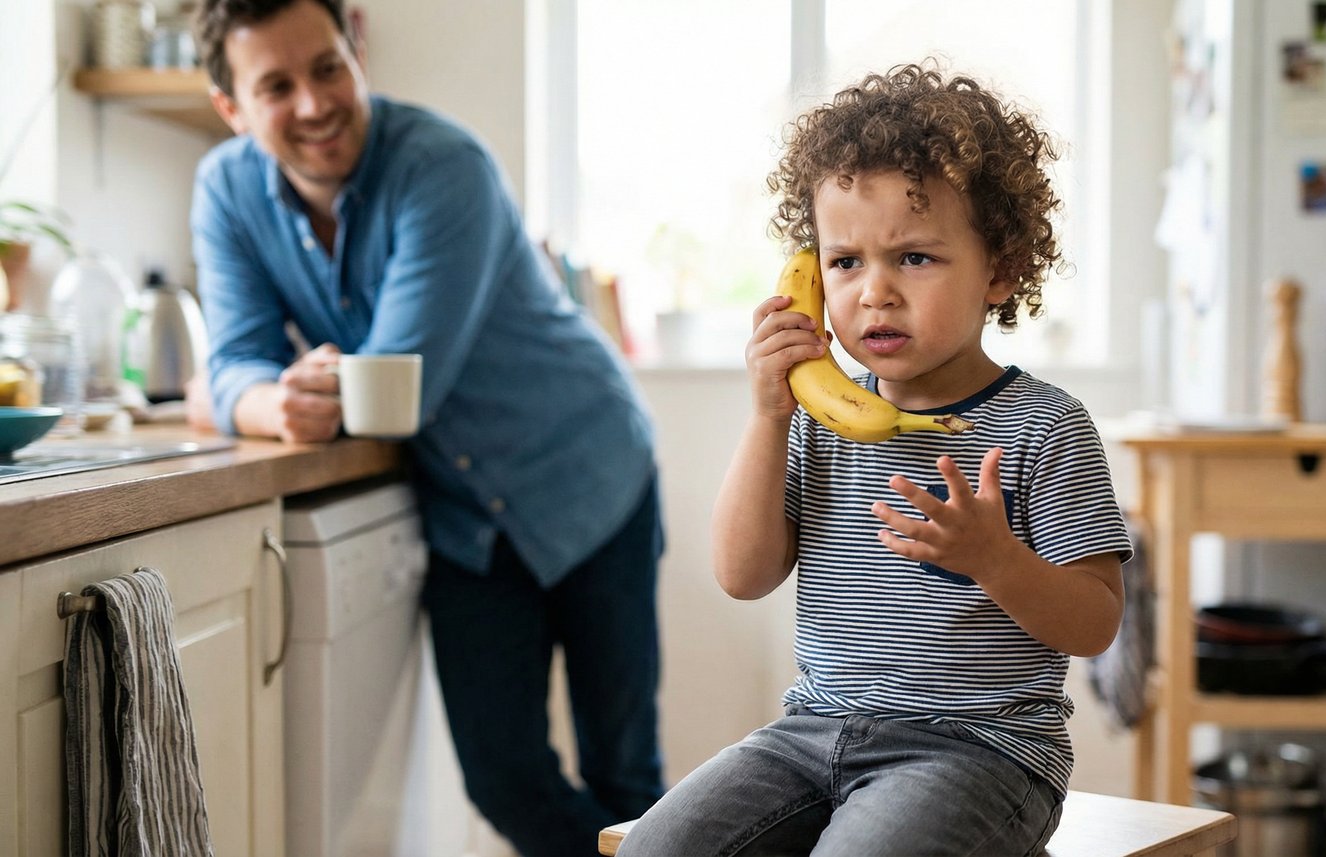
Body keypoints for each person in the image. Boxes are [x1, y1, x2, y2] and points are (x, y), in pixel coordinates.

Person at [620, 62, 1131, 857]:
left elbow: (1097, 622)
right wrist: (767, 413)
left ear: (1000, 268)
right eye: (846, 261)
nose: (874, 292)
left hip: (981, 753)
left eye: (915, 258)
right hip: (811, 730)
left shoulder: (1046, 426)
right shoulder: (817, 419)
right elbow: (742, 572)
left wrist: (994, 558)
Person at [188, 1, 665, 854]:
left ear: (357, 46)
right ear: (231, 107)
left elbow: (391, 388)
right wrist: (264, 400)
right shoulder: (224, 191)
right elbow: (238, 365)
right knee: (504, 776)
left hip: (587, 471)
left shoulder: (442, 165)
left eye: (327, 66)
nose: (312, 103)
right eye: (275, 85)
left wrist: (234, 391)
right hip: (466, 519)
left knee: (625, 773)